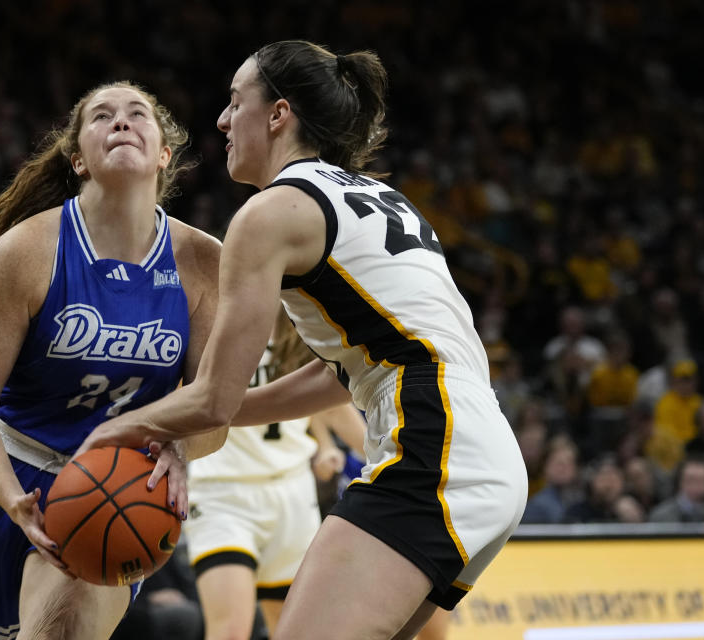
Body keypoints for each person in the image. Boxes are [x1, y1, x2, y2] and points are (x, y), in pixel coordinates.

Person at [78, 40, 528, 640]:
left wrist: (108, 433)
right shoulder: (378, 196)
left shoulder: (271, 213)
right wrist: (227, 413)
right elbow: (338, 371)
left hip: (431, 439)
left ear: (278, 114)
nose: (222, 120)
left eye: (235, 102)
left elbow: (210, 397)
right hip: (481, 445)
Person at [0, 81, 224, 640]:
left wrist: (180, 445)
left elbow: (213, 409)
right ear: (78, 158)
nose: (122, 122)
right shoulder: (24, 252)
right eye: (102, 116)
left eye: (138, 115)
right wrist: (14, 501)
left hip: (114, 489)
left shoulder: (204, 263)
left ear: (164, 153)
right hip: (1, 480)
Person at [183, 309, 367, 640]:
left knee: (292, 628)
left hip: (293, 492)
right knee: (230, 632)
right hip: (223, 493)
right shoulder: (212, 322)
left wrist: (389, 456)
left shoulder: (305, 325)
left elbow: (330, 406)